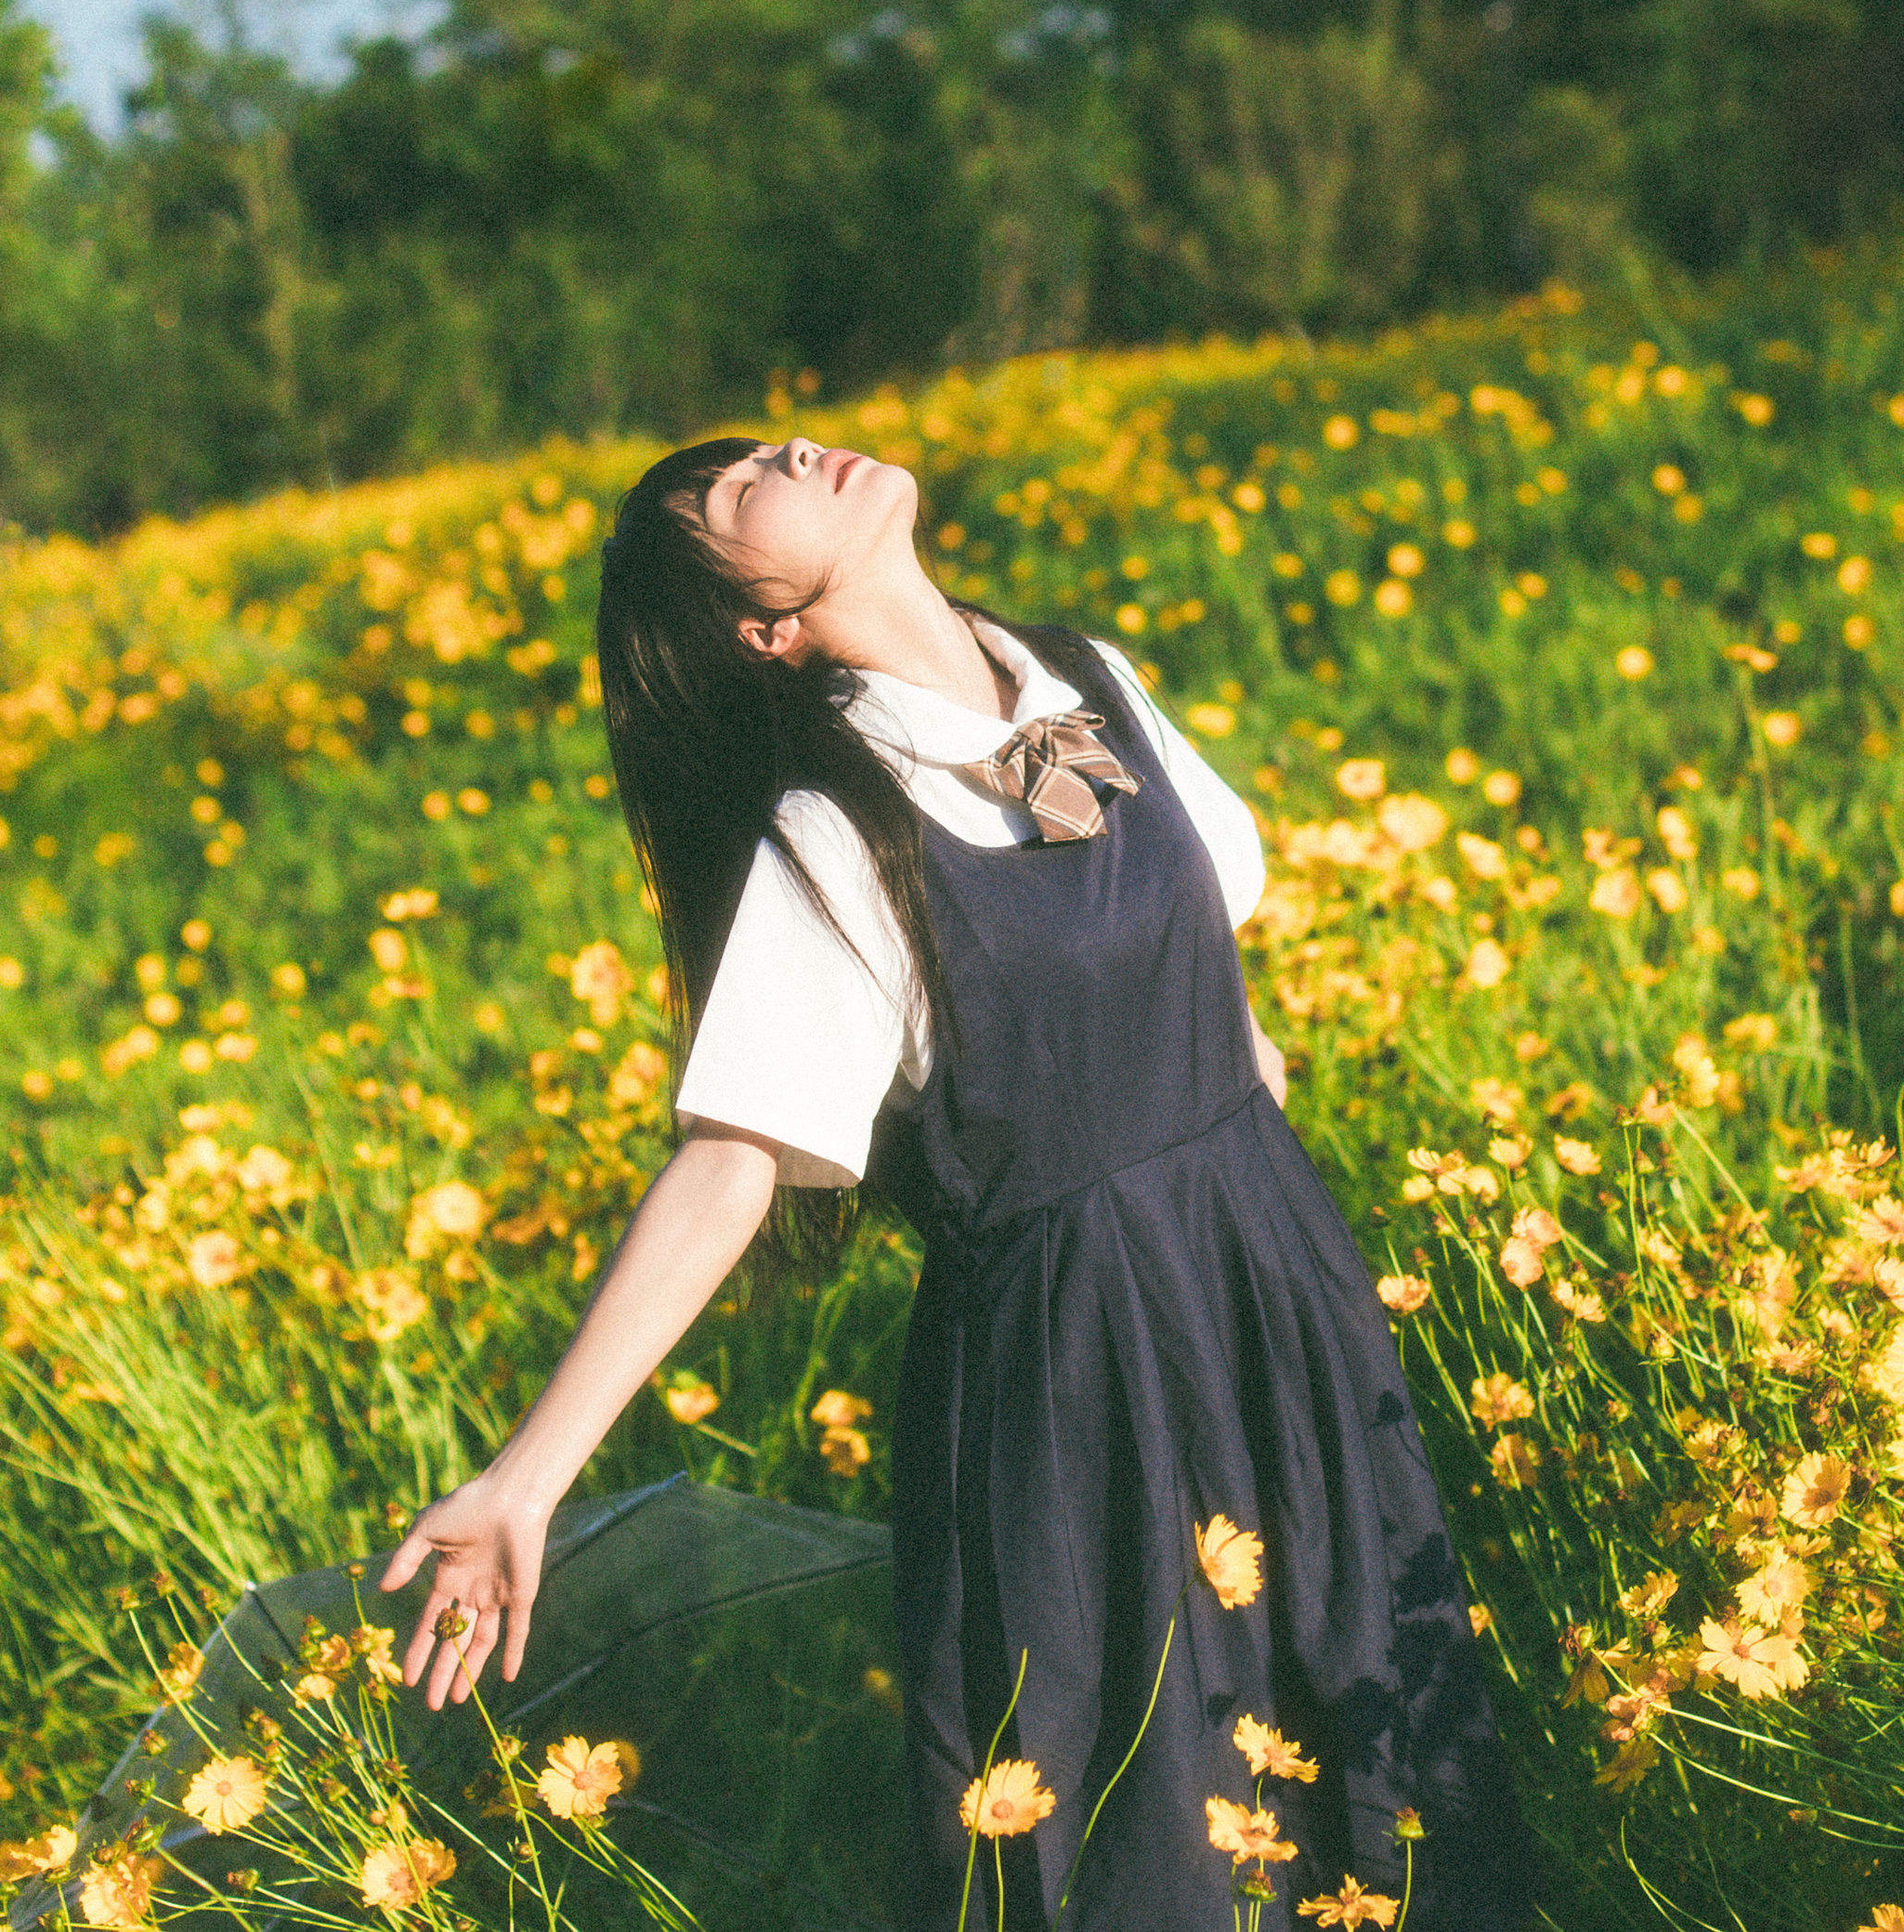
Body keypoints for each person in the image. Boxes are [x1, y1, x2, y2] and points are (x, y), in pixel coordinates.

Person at [378, 431, 1533, 1925]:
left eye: (768, 448)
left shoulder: (1090, 682)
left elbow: (1220, 973)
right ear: (767, 626)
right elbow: (730, 1167)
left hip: (1269, 1293)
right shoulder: (833, 838)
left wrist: (1244, 1174)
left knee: (1362, 1698)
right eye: (744, 493)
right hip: (1079, 1376)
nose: (796, 449)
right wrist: (524, 1479)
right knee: (1152, 1806)